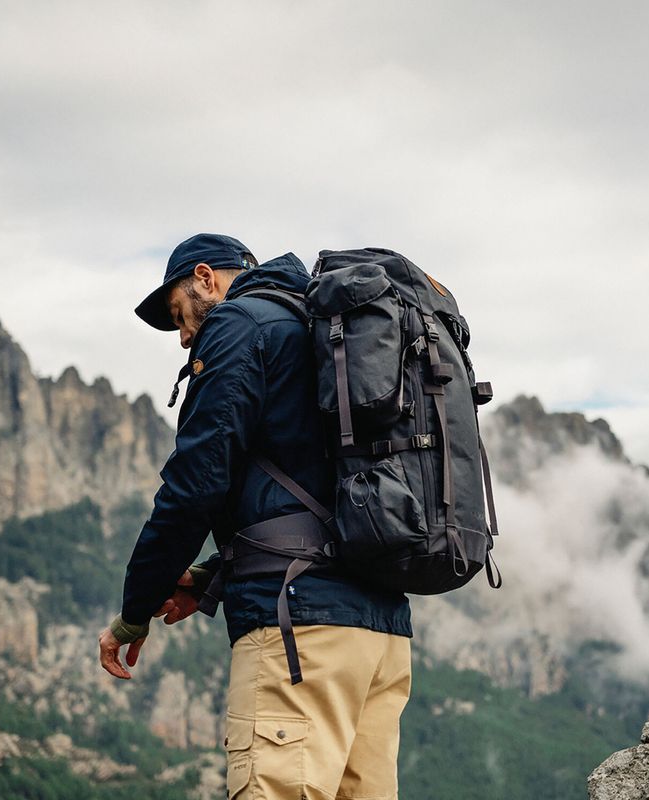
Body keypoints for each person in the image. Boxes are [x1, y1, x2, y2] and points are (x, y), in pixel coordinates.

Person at [98, 233, 413, 799]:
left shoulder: (239, 326)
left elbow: (196, 484)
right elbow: (320, 497)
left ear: (204, 278)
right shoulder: (315, 330)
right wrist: (209, 574)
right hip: (380, 636)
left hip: (299, 633)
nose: (185, 337)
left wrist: (134, 611)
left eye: (179, 316)